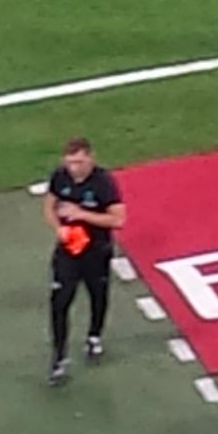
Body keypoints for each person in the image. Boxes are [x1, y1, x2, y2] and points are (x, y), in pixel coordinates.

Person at [43, 137, 126, 387]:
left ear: (90, 158)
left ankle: (94, 335)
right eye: (70, 163)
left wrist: (82, 214)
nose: (74, 168)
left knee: (97, 296)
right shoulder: (60, 177)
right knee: (59, 302)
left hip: (96, 251)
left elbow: (118, 219)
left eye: (79, 162)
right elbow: (49, 205)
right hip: (68, 249)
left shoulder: (104, 183)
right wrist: (58, 228)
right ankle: (59, 357)